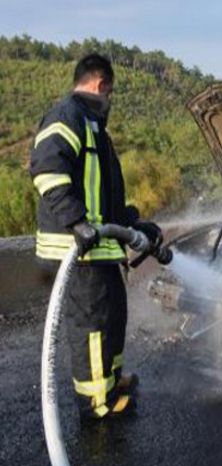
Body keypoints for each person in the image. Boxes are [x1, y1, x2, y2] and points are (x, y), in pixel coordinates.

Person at [29, 54, 162, 420]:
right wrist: (76, 222)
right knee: (91, 327)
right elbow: (45, 168)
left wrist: (136, 224)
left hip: (101, 250)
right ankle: (96, 404)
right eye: (112, 92)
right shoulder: (67, 116)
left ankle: (112, 379)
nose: (111, 100)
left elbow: (104, 196)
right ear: (101, 85)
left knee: (112, 317)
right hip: (79, 251)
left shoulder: (94, 128)